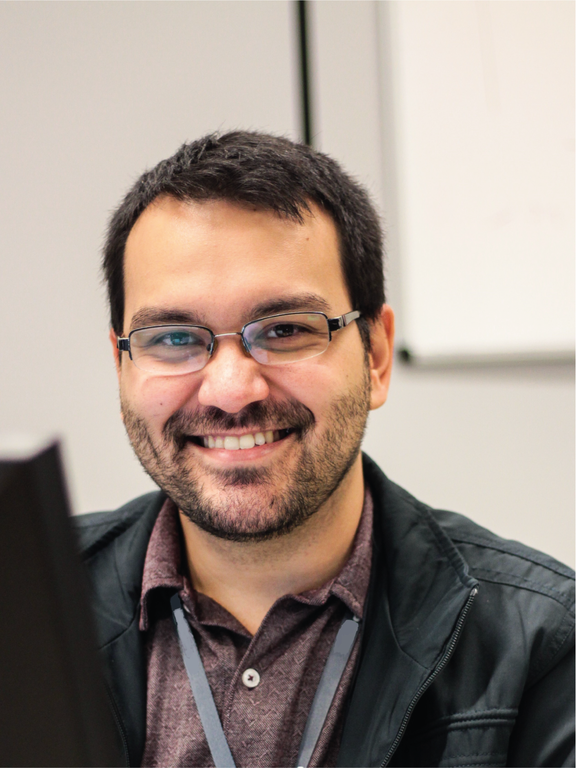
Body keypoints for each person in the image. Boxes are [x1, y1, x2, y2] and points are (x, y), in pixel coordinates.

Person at [76, 131, 574, 768]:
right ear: (120, 363)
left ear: (375, 354)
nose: (230, 391)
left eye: (285, 330)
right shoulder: (27, 608)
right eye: (173, 337)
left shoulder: (540, 644)